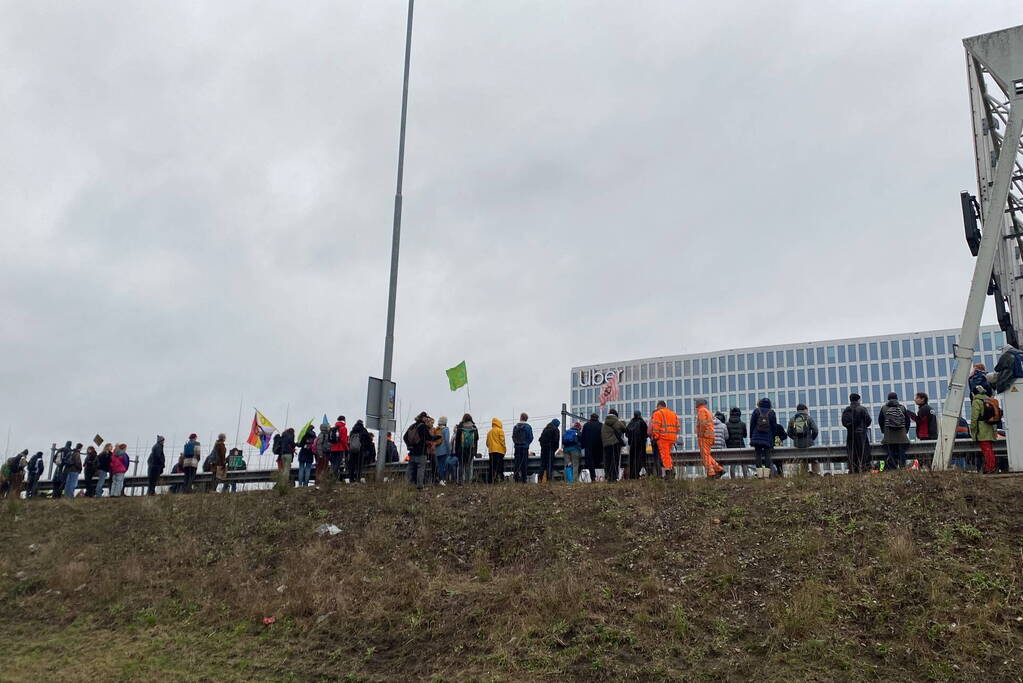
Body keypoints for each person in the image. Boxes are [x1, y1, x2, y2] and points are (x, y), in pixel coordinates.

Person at [878, 393, 911, 470]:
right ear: (897, 398)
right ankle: (902, 467)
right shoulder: (902, 408)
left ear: (888, 399)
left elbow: (880, 421)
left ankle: (893, 468)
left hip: (889, 437)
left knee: (891, 453)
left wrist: (884, 431)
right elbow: (907, 421)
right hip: (902, 437)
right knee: (901, 452)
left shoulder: (884, 408)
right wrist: (905, 431)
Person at [970, 386, 998, 473]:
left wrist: (973, 429)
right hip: (991, 427)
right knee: (989, 449)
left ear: (973, 394)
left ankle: (990, 468)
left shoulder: (976, 402)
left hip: (981, 429)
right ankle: (991, 466)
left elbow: (974, 417)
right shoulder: (989, 400)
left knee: (986, 450)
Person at [404, 412, 436, 490]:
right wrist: (436, 437)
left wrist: (409, 445)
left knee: (410, 468)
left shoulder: (412, 426)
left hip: (412, 452)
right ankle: (420, 486)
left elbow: (404, 437)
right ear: (423, 418)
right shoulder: (423, 426)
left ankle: (406, 485)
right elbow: (428, 437)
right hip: (421, 452)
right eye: (426, 418)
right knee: (420, 468)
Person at [693, 400, 724, 479]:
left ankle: (711, 473)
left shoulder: (701, 411)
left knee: (705, 456)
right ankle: (718, 469)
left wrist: (701, 434)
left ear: (699, 404)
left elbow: (702, 424)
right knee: (707, 455)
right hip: (709, 436)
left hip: (705, 437)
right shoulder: (707, 411)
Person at [841, 393, 872, 473]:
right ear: (858, 400)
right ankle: (864, 469)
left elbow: (844, 423)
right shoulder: (862, 409)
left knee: (852, 453)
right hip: (862, 435)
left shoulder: (846, 410)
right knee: (863, 453)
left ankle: (853, 470)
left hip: (851, 435)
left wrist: (851, 426)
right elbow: (868, 421)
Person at [650, 401, 679, 479]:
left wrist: (656, 436)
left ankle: (668, 473)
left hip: (663, 438)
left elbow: (656, 426)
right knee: (668, 455)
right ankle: (670, 471)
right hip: (672, 437)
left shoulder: (658, 413)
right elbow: (678, 427)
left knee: (664, 455)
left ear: (659, 406)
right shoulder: (673, 414)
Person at [748, 398, 778, 476]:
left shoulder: (756, 411)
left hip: (756, 437)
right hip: (768, 437)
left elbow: (752, 425)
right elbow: (774, 426)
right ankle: (766, 475)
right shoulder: (771, 412)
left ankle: (760, 475)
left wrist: (751, 437)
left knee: (758, 455)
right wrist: (773, 437)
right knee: (768, 455)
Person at [601, 409, 626, 482]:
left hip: (606, 445)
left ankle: (608, 477)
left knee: (607, 461)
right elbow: (624, 429)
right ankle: (614, 477)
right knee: (615, 461)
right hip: (614, 444)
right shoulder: (616, 421)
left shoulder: (604, 423)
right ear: (616, 415)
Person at [453, 414, 479, 484]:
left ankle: (460, 481)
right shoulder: (474, 427)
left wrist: (456, 451)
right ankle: (468, 481)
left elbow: (457, 440)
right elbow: (476, 439)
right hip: (470, 449)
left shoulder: (460, 426)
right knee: (468, 466)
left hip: (461, 449)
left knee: (461, 465)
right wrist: (475, 452)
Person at [624, 412, 648, 480]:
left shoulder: (631, 423)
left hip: (632, 445)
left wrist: (631, 438)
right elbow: (646, 433)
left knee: (632, 460)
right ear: (640, 415)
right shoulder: (642, 423)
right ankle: (636, 474)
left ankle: (632, 476)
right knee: (640, 460)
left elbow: (626, 434)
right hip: (641, 445)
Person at [580, 413, 603, 482]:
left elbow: (583, 436)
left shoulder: (586, 425)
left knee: (590, 462)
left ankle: (593, 477)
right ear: (597, 418)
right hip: (598, 447)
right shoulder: (601, 425)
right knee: (598, 461)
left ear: (591, 417)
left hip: (589, 447)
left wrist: (583, 446)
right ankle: (599, 477)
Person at [511, 413, 534, 483]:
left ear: (520, 417)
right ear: (526, 419)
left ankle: (516, 479)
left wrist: (516, 443)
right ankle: (524, 479)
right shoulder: (528, 427)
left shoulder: (515, 426)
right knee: (524, 463)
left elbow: (513, 437)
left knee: (516, 463)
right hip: (524, 447)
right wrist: (527, 444)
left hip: (517, 447)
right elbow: (531, 437)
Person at [538, 419, 561, 483]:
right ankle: (548, 479)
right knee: (550, 465)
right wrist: (554, 449)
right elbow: (556, 441)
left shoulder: (545, 429)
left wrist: (543, 446)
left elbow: (540, 439)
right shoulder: (556, 430)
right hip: (550, 449)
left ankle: (540, 479)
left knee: (542, 464)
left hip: (543, 450)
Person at [433, 416, 453, 484]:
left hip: (437, 451)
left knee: (439, 465)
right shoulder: (446, 430)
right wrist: (449, 450)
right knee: (443, 466)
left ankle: (440, 479)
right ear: (445, 422)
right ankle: (442, 480)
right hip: (444, 451)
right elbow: (447, 441)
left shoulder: (437, 429)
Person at [486, 418, 506, 483]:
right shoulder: (500, 431)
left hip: (491, 451)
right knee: (499, 467)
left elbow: (487, 444)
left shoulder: (489, 432)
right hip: (499, 451)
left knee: (492, 467)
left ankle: (490, 481)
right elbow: (502, 441)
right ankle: (500, 480)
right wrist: (505, 449)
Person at [329, 416, 349, 481]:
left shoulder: (333, 428)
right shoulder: (344, 428)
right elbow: (344, 440)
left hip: (332, 448)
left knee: (333, 463)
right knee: (337, 464)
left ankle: (332, 478)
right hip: (340, 448)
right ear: (344, 420)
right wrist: (346, 449)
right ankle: (333, 477)